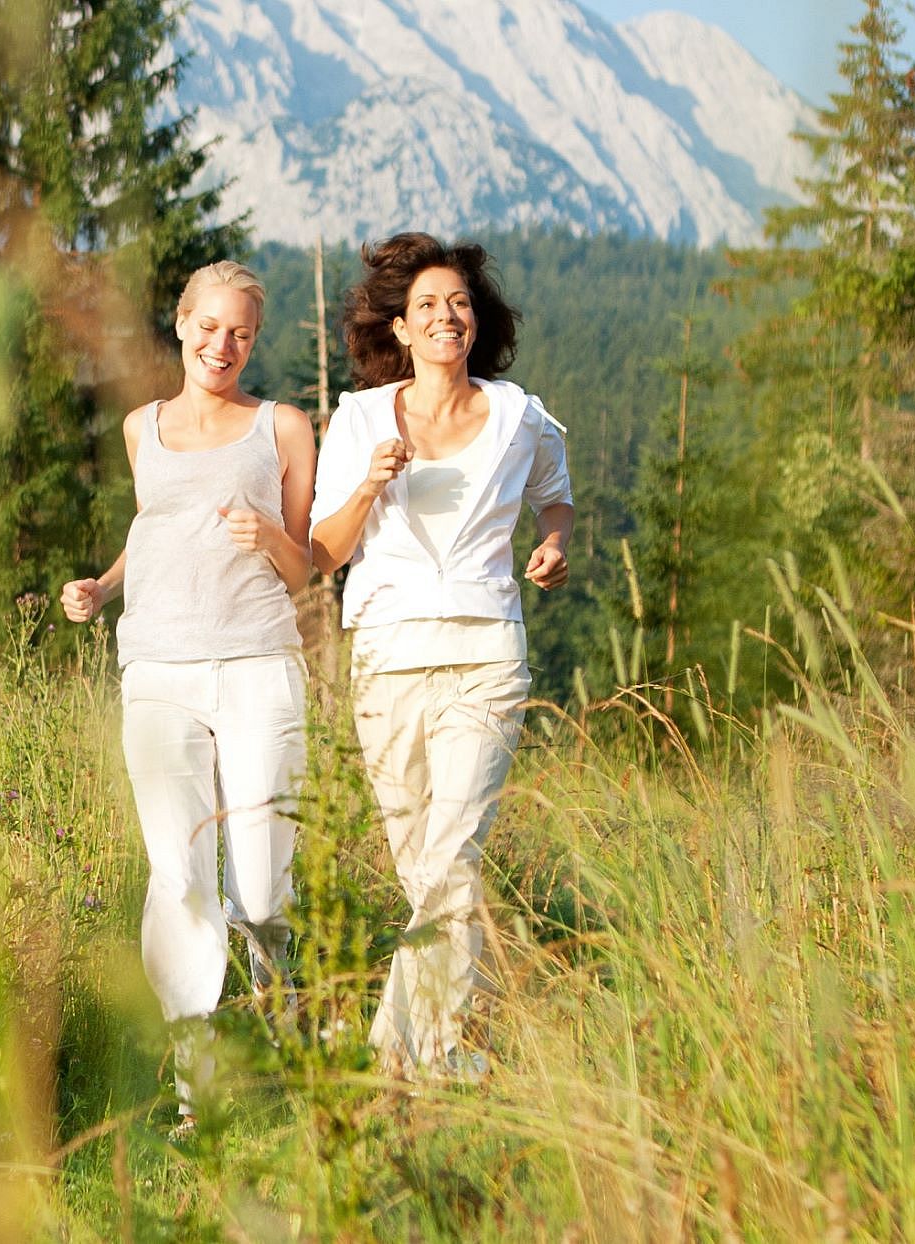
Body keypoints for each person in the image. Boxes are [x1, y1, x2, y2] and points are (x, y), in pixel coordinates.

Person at [309, 233, 573, 1079]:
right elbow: (324, 550)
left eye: (458, 303)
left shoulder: (518, 415)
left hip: (485, 652)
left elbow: (556, 500)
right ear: (399, 326)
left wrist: (554, 545)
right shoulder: (357, 421)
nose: (444, 316)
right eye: (426, 305)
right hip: (386, 656)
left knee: (454, 854)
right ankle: (450, 1037)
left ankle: (407, 1056)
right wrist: (367, 487)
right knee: (423, 862)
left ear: (475, 320)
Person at [59, 260, 318, 1116]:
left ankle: (282, 1051)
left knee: (261, 884)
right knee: (178, 878)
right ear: (181, 325)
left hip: (257, 667)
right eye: (209, 328)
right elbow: (156, 533)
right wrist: (102, 586)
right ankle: (194, 1090)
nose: (223, 345)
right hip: (158, 669)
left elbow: (308, 566)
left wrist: (265, 532)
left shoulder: (281, 427)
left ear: (254, 340)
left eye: (240, 332)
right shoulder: (143, 427)